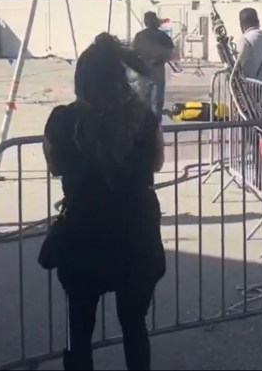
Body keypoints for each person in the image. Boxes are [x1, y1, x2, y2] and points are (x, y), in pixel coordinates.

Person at [43, 34, 166, 370]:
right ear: (119, 77)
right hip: (136, 229)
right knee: (134, 326)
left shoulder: (62, 120)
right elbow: (156, 163)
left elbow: (54, 166)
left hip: (84, 228)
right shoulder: (143, 119)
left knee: (79, 329)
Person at [132, 11, 175, 117]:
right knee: (157, 104)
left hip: (143, 71)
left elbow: (134, 53)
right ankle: (156, 127)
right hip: (157, 71)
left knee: (143, 102)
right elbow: (170, 52)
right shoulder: (163, 36)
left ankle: (144, 127)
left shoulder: (139, 36)